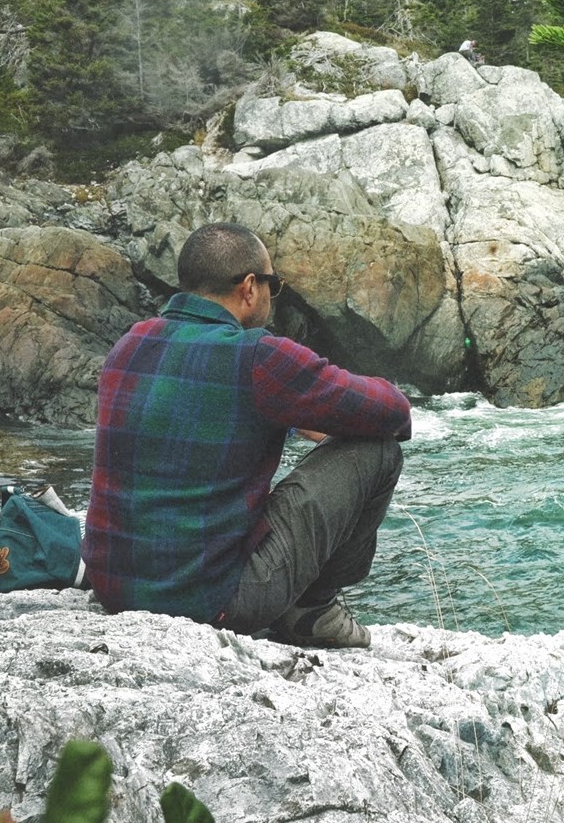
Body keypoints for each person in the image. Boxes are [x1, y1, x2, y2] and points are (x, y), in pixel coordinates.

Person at [83, 222, 412, 649]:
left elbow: (197, 410)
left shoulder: (129, 344)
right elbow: (394, 411)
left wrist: (287, 414)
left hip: (115, 591)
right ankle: (314, 608)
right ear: (251, 287)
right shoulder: (258, 355)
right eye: (273, 287)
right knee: (378, 450)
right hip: (211, 603)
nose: (271, 298)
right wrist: (311, 411)